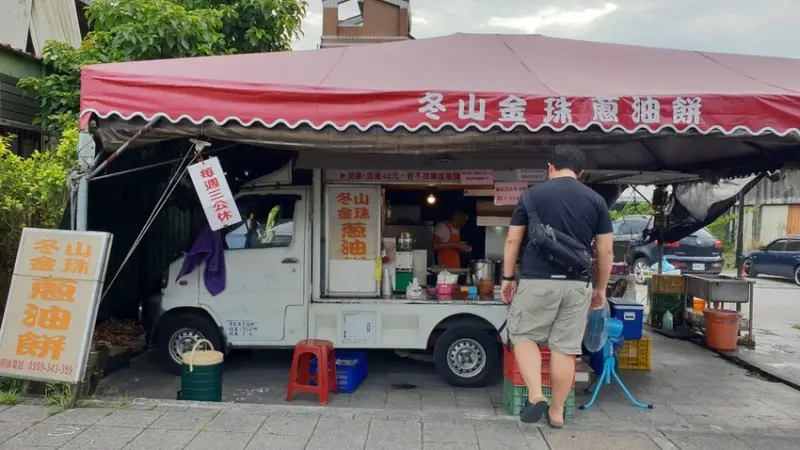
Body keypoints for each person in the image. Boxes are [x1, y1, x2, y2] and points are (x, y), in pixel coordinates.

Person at [501, 144, 613, 428]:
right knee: (565, 349)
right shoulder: (596, 201)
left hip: (537, 281)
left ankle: (537, 395)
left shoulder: (531, 196)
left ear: (550, 167)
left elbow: (513, 240)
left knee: (524, 335)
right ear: (581, 172)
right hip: (578, 284)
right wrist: (600, 289)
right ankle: (557, 412)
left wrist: (507, 278)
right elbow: (605, 251)